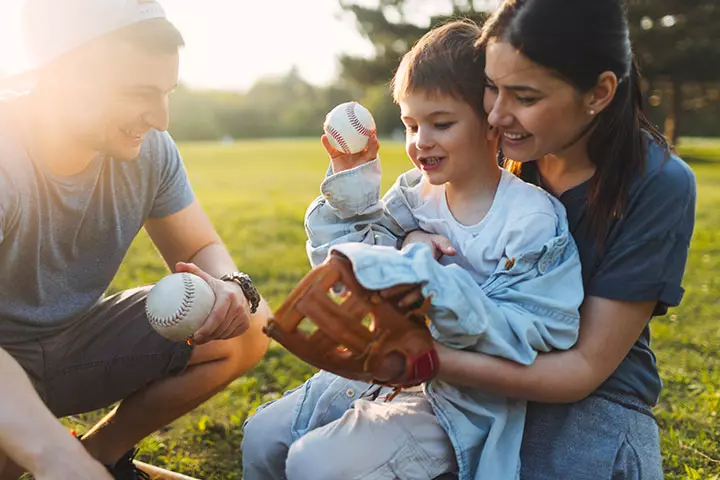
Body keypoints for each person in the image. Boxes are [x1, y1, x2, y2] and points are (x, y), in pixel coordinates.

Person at [241, 20, 584, 480]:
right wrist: (355, 191)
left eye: (441, 123)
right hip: (379, 373)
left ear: (492, 119)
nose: (421, 141)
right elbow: (348, 265)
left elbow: (540, 329)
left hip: (456, 401)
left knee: (314, 463)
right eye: (410, 124)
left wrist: (430, 279)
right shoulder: (411, 195)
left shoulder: (530, 219)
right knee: (264, 436)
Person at [402, 0, 695, 478]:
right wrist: (414, 236)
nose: (495, 115)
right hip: (476, 367)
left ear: (599, 92)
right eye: (491, 89)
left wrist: (432, 362)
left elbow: (583, 368)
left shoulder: (659, 184)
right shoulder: (503, 149)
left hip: (591, 398)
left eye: (524, 96)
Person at [0, 1, 270, 479]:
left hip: (74, 345)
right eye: (140, 93)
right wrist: (49, 455)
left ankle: (99, 455)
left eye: (166, 92)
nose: (162, 119)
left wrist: (228, 285)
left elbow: (195, 250)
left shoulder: (149, 152)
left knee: (246, 322)